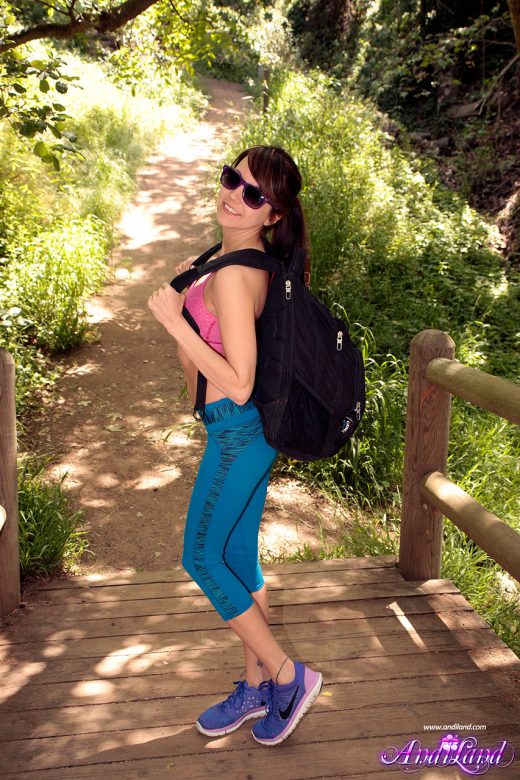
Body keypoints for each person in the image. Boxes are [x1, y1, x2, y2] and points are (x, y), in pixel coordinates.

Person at [147, 144, 323, 747]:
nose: (234, 195)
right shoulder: (234, 261)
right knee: (239, 559)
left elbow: (241, 380)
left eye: (254, 194)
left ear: (273, 214)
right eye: (232, 178)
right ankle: (256, 688)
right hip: (236, 429)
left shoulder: (233, 273)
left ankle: (287, 676)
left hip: (239, 429)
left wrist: (174, 321)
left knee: (201, 558)